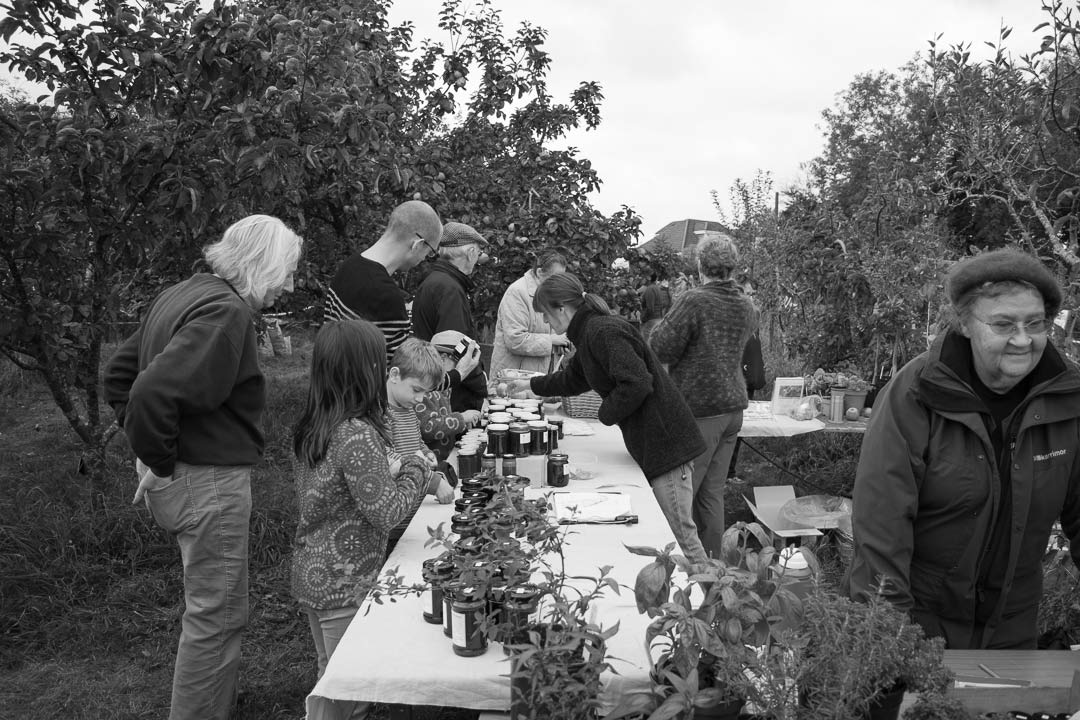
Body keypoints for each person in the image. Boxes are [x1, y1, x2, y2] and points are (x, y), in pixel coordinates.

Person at [103, 214, 302, 720]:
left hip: (188, 475)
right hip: (206, 481)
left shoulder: (185, 292)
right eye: (288, 272)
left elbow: (120, 376)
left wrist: (151, 455)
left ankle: (216, 699)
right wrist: (160, 461)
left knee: (213, 609)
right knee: (217, 615)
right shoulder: (226, 312)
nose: (290, 285)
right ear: (264, 265)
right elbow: (149, 391)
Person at [844, 248, 1080, 649]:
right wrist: (888, 638)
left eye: (1035, 323)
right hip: (918, 619)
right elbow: (882, 529)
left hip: (1011, 623)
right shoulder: (916, 394)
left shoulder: (1069, 396)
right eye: (1004, 324)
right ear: (966, 324)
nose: (1022, 340)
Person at [505, 272, 709, 565]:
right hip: (654, 442)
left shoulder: (603, 331)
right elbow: (574, 379)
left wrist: (605, 414)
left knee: (680, 537)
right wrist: (531, 385)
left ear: (562, 308)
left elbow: (638, 382)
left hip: (668, 446)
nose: (548, 324)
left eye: (548, 316)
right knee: (671, 535)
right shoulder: (589, 333)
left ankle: (712, 602)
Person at [291, 320, 430, 720]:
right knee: (345, 687)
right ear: (364, 369)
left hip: (314, 566)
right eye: (377, 360)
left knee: (330, 674)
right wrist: (415, 470)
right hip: (343, 577)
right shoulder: (356, 435)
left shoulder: (315, 424)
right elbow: (387, 511)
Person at [649, 235, 757, 557]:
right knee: (711, 493)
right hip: (732, 409)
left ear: (700, 266)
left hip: (701, 411)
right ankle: (713, 575)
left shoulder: (695, 300)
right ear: (732, 268)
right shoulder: (746, 304)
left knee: (681, 497)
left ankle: (680, 570)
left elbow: (660, 347)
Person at [384, 337, 457, 548]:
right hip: (394, 524)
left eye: (426, 393)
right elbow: (390, 460)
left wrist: (425, 452)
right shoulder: (381, 415)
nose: (420, 399)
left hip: (412, 513)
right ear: (395, 375)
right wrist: (433, 482)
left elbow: (415, 444)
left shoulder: (407, 408)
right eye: (417, 390)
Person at [410, 221, 490, 412]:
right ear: (470, 253)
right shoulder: (450, 289)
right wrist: (482, 386)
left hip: (435, 386)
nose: (477, 260)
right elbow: (457, 348)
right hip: (451, 399)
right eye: (478, 254)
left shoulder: (434, 281)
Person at [489, 249, 571, 378]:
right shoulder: (517, 293)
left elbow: (552, 334)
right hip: (512, 380)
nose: (559, 283)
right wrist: (552, 340)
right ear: (539, 272)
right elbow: (515, 340)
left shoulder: (549, 293)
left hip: (536, 378)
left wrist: (560, 345)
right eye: (555, 278)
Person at [419, 330, 485, 464]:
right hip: (432, 461)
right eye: (460, 363)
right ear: (443, 358)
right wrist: (461, 418)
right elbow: (427, 428)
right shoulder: (424, 389)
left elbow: (443, 419)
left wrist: (461, 422)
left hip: (446, 456)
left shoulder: (445, 385)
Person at [728, 278, 766, 485]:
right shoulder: (733, 323)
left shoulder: (752, 316)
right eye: (748, 294)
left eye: (753, 294)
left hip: (748, 380)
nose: (752, 298)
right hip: (737, 382)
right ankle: (727, 472)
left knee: (740, 427)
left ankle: (729, 471)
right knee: (734, 428)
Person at [638, 273, 670, 343]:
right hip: (657, 318)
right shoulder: (656, 288)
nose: (641, 279)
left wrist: (644, 319)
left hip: (651, 320)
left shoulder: (650, 289)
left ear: (648, 278)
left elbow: (650, 308)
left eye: (643, 277)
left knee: (646, 343)